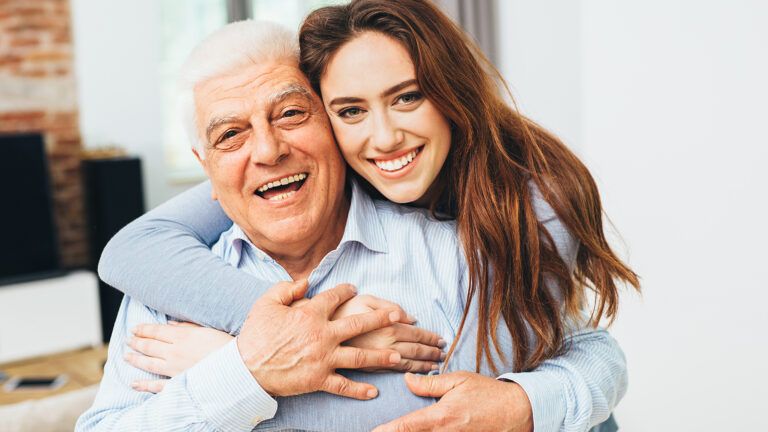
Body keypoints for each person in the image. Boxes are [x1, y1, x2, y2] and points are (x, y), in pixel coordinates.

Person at [98, 0, 639, 430]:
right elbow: (130, 248)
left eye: (290, 114)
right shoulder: (169, 283)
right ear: (206, 167)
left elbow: (473, 405)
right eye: (230, 135)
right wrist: (252, 363)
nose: (267, 150)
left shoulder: (501, 222)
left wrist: (235, 372)